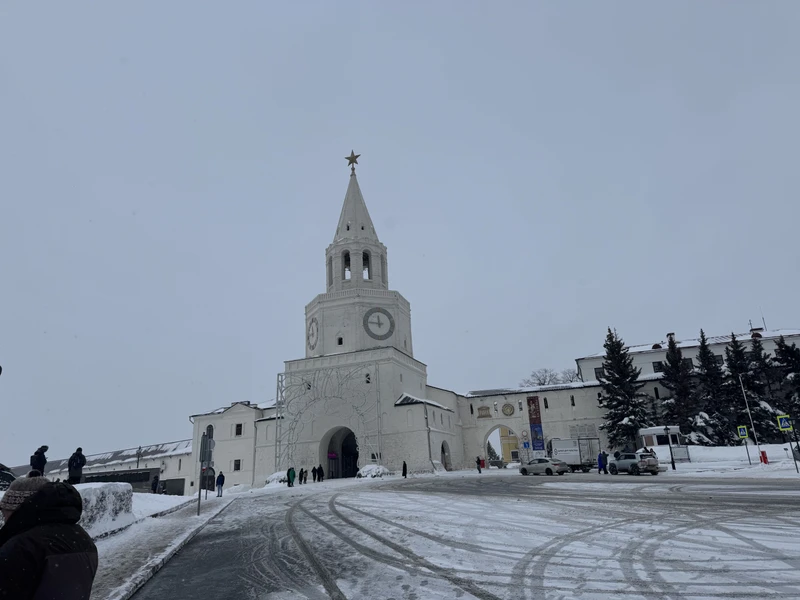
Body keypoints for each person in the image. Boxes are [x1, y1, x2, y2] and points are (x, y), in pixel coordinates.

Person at [0, 478, 98, 599]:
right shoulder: (83, 538)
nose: (5, 520)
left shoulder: (22, 546)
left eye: (5, 514)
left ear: (19, 511)